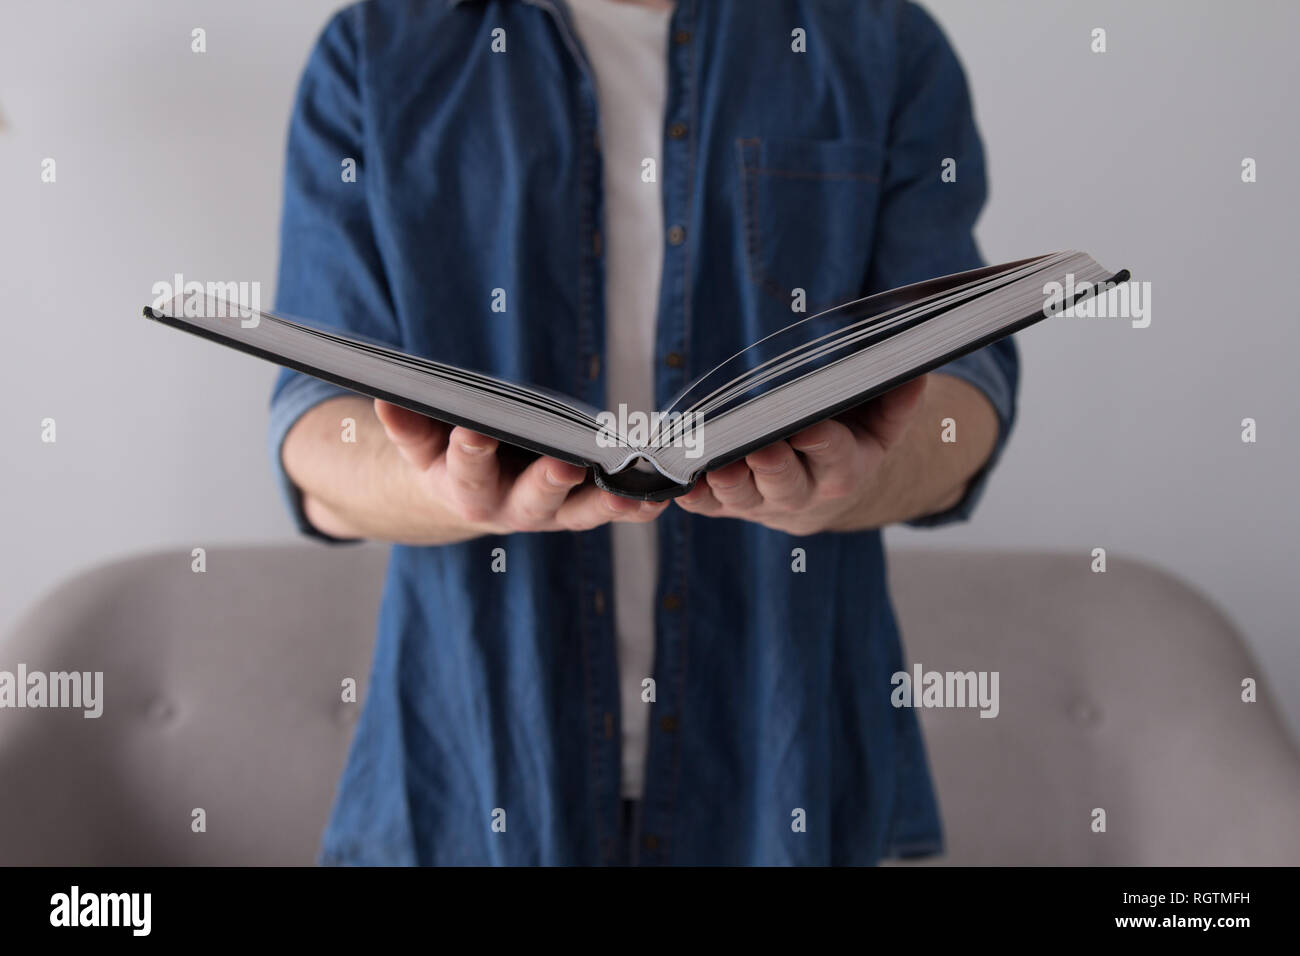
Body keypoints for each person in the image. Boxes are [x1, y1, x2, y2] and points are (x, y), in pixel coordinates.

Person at [271, 0, 1016, 865]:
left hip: (791, 781)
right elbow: (317, 436)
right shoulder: (376, 47)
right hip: (469, 780)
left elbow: (963, 393)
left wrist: (862, 472)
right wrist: (443, 488)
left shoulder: (881, 41)